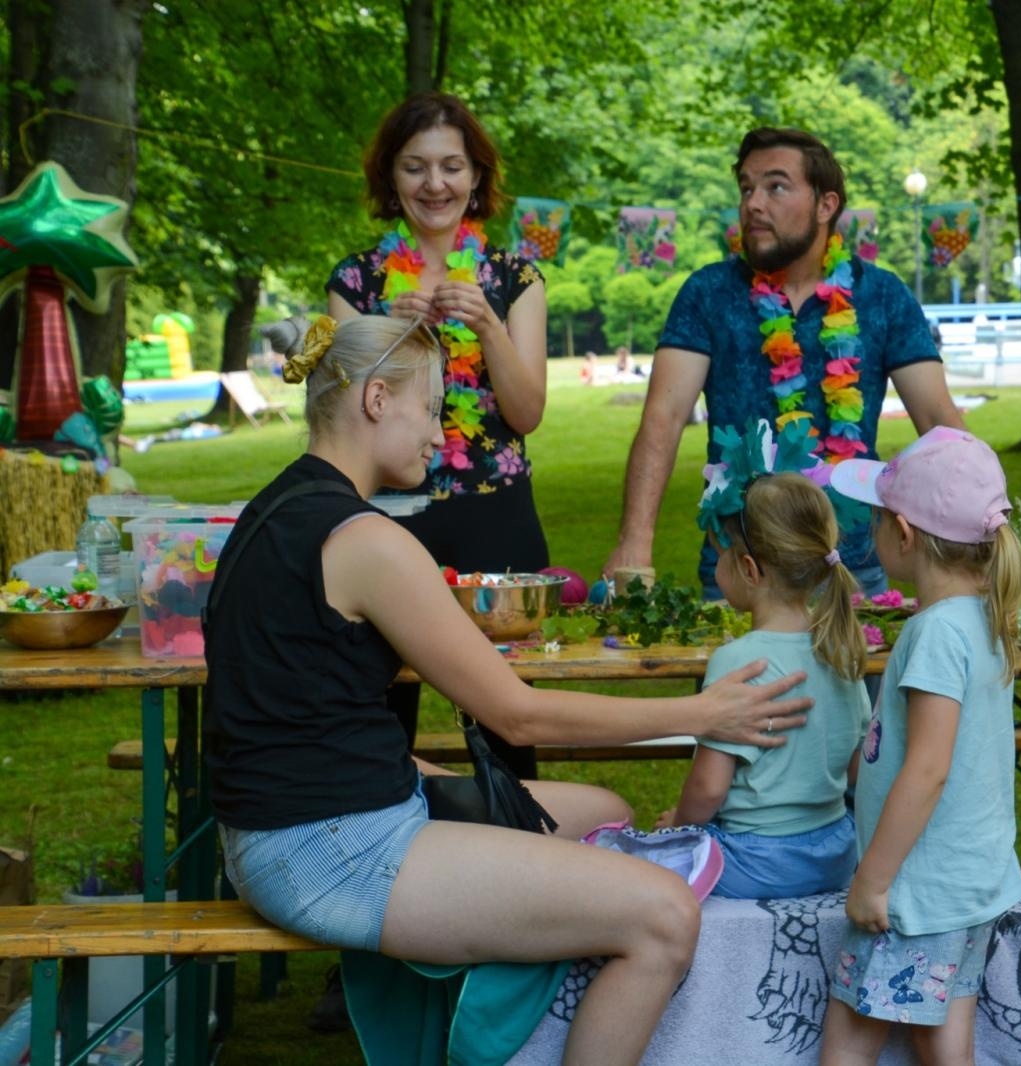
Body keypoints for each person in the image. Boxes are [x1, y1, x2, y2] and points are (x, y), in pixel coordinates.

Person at [203, 315, 813, 1064]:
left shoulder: (273, 508)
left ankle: (511, 1032)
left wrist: (409, 776)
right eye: (432, 408)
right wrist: (703, 713)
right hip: (327, 850)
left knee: (606, 815)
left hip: (304, 820)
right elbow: (516, 713)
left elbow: (292, 704)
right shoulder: (367, 543)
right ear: (376, 399)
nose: (440, 434)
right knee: (662, 915)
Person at [604, 127, 967, 603]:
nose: (753, 203)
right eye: (747, 188)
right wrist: (635, 543)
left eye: (775, 186)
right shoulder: (708, 293)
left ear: (825, 205)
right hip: (739, 573)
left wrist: (981, 538)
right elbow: (664, 418)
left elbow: (938, 421)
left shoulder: (881, 295)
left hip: (851, 572)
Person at [326, 91, 550, 778]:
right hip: (387, 520)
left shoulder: (516, 278)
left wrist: (486, 326)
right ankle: (393, 856)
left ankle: (521, 860)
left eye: (452, 167)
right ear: (390, 178)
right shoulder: (355, 281)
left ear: (477, 177)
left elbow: (527, 413)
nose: (435, 185)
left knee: (508, 718)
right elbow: (330, 402)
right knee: (377, 717)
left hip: (496, 521)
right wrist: (384, 334)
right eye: (415, 167)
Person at [819, 427, 1021, 1063]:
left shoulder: (936, 631)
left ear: (904, 535)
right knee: (944, 1046)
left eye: (879, 519)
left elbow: (930, 767)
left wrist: (873, 881)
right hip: (969, 885)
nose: (874, 533)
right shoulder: (984, 618)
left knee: (847, 1043)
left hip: (917, 891)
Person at [659, 445, 870, 900]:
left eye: (721, 555)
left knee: (628, 866)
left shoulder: (739, 661)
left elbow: (709, 787)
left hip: (755, 860)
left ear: (750, 569)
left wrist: (678, 822)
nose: (717, 568)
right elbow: (857, 767)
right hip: (836, 852)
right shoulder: (841, 647)